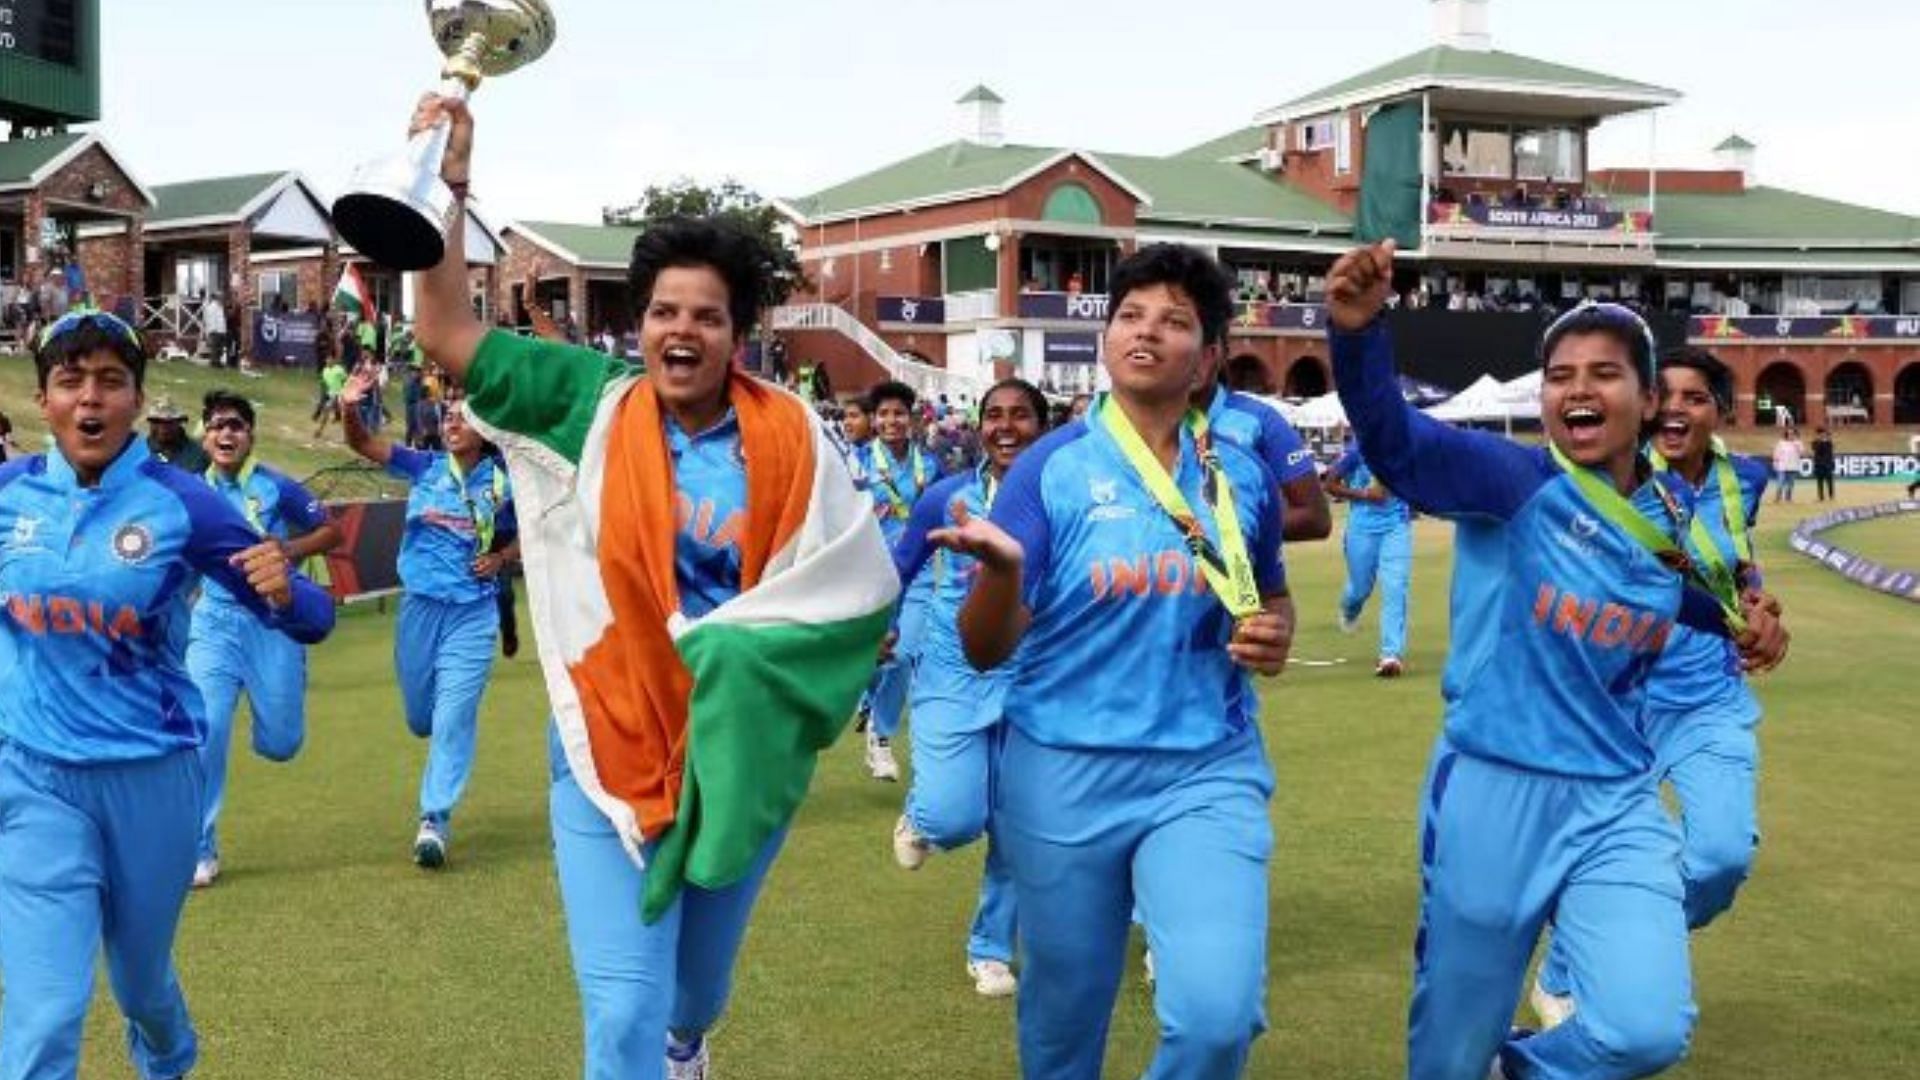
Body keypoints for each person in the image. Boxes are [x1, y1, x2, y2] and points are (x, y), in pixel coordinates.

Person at [404, 92, 895, 1080]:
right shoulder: (588, 399)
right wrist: (447, 185)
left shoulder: (794, 437)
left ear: (739, 333)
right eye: (665, 310)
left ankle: (690, 1042)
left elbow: (859, 583)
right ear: (639, 323)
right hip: (603, 738)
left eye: (707, 316)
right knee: (621, 1012)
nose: (683, 330)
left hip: (738, 750)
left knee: (688, 996)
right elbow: (446, 329)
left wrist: (755, 660)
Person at [1324, 242, 1787, 1080]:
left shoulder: (1664, 522)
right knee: (1449, 1051)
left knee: (1642, 1030)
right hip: (1493, 790)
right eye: (1561, 374)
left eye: (1605, 373)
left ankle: (1522, 1071)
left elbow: (1683, 592)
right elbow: (1396, 445)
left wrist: (1746, 625)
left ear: (1648, 401)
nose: (1578, 388)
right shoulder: (1512, 481)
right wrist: (1359, 335)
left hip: (1616, 796)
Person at [936, 243, 1294, 1078]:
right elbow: (984, 647)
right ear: (1104, 340)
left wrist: (1274, 631)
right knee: (1064, 1015)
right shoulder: (1048, 470)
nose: (1147, 333)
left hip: (1206, 769)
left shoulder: (1239, 474)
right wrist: (1003, 575)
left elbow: (1268, 597)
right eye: (1130, 316)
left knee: (1218, 1015)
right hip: (1061, 773)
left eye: (1175, 322)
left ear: (1206, 358)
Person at [0, 309, 333, 1079]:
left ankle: (169, 1056)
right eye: (70, 380)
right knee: (45, 1013)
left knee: (142, 986)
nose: (90, 400)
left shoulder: (184, 502)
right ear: (43, 399)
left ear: (138, 400)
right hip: (33, 778)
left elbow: (310, 621)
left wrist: (287, 592)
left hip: (153, 777)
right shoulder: (10, 497)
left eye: (111, 381)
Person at [1532, 348, 1777, 1030]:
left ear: (1720, 413)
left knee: (1721, 858)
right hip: (1621, 702)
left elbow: (1728, 561)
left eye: (1694, 397)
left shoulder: (1746, 479)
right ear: (1641, 404)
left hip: (1708, 702)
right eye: (1662, 394)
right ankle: (1589, 966)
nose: (1674, 408)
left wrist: (1752, 605)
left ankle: (1572, 957)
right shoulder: (1610, 478)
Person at [888, 378, 1048, 1000]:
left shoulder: (1065, 495)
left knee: (1016, 824)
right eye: (994, 416)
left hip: (1036, 679)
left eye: (1022, 416)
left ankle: (989, 949)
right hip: (954, 673)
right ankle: (921, 815)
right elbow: (901, 568)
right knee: (954, 818)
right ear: (978, 427)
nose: (1006, 426)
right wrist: (884, 627)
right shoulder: (947, 496)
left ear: (1044, 424)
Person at [341, 377, 517, 869]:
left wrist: (502, 556)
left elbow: (538, 533)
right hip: (419, 609)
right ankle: (432, 742)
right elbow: (360, 442)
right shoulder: (423, 467)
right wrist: (349, 406)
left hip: (472, 613)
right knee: (422, 717)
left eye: (463, 418)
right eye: (448, 417)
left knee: (453, 717)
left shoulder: (505, 483)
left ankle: (434, 819)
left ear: (484, 431)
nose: (453, 423)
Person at [185, 390, 343, 887]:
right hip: (212, 624)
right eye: (216, 426)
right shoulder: (189, 491)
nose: (225, 434)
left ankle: (274, 696)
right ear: (204, 436)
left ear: (250, 435)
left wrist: (288, 548)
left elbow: (331, 531)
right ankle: (200, 850)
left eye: (235, 425)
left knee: (281, 743)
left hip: (271, 623)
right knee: (205, 731)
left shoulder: (276, 486)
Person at [858, 379, 942, 782]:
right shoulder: (856, 464)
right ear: (874, 420)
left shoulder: (930, 464)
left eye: (899, 414)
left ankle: (880, 734)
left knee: (906, 653)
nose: (892, 421)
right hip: (869, 574)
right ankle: (866, 697)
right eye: (884, 414)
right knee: (872, 658)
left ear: (911, 419)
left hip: (921, 572)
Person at [1195, 352, 1332, 542]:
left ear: (1215, 354)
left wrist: (1228, 531)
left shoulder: (1259, 419)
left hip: (1243, 567)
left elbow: (1315, 518)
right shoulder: (1143, 419)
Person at [1324, 434, 1414, 676]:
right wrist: (1365, 495)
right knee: (1360, 588)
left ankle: (1390, 655)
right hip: (1361, 528)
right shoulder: (1356, 451)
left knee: (1396, 587)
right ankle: (1349, 609)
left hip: (1396, 525)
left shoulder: (1404, 446)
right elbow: (1329, 485)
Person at [144, 398, 210, 474]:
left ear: (179, 422)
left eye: (169, 422)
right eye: (157, 421)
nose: (163, 428)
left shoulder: (199, 454)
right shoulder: (140, 452)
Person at [314, 353, 349, 437]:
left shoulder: (339, 369)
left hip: (339, 395)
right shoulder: (325, 370)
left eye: (330, 359)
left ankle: (320, 430)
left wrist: (344, 392)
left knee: (337, 414)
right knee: (329, 412)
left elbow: (346, 380)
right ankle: (319, 431)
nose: (328, 361)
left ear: (334, 360)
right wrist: (324, 393)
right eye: (327, 359)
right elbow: (324, 383)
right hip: (331, 394)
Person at [1770, 428, 1803, 502]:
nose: (1791, 435)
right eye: (1789, 434)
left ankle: (1788, 498)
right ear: (1786, 435)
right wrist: (1775, 462)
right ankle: (1778, 498)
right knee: (1780, 482)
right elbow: (1776, 453)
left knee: (1791, 483)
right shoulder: (1781, 443)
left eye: (1792, 434)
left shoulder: (1798, 443)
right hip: (1782, 466)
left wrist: (1796, 444)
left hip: (1793, 466)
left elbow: (1801, 453)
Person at [201, 293, 228, 368]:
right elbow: (210, 319)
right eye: (221, 298)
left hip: (221, 330)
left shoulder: (220, 306)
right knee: (215, 347)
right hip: (215, 330)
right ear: (217, 298)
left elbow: (221, 319)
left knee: (220, 348)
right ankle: (214, 362)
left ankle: (217, 361)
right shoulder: (212, 307)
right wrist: (212, 330)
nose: (222, 299)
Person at [1811, 426, 1836, 502]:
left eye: (1823, 434)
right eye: (1820, 434)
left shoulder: (1829, 442)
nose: (1822, 435)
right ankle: (1820, 497)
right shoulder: (1815, 442)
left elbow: (1830, 453)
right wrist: (1820, 441)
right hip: (1819, 465)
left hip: (1827, 464)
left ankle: (1831, 496)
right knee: (1820, 482)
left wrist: (1832, 463)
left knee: (1830, 481)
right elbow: (1816, 449)